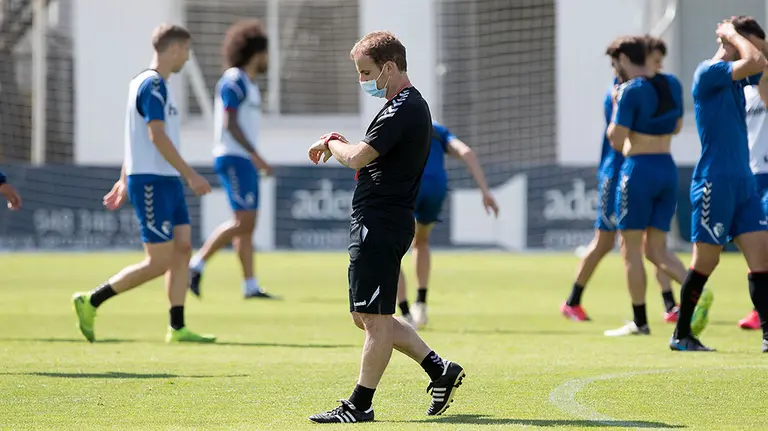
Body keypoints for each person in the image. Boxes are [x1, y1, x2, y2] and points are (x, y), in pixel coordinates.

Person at [306, 31, 465, 423]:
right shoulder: (401, 105)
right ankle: (438, 369)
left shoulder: (405, 106)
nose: (363, 81)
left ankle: (359, 405)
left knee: (374, 319)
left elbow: (358, 157)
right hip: (379, 219)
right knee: (365, 316)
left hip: (381, 221)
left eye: (366, 73)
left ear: (390, 68)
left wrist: (332, 141)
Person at [71, 24, 216, 344]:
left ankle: (177, 327)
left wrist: (123, 178)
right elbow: (154, 135)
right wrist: (190, 173)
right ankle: (91, 300)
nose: (187, 58)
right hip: (152, 181)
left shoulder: (154, 85)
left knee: (181, 250)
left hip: (164, 179)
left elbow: (135, 140)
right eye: (187, 51)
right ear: (175, 48)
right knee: (159, 260)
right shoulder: (152, 85)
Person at [561, 35, 685, 324]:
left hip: (635, 170)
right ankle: (573, 300)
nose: (614, 67)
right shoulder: (620, 90)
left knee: (650, 245)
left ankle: (669, 304)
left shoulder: (645, 87)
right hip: (615, 172)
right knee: (607, 242)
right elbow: (619, 137)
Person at [671, 16, 768, 353]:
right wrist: (732, 35)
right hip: (714, 181)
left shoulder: (738, 82)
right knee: (705, 263)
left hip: (744, 183)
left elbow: (761, 64)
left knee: (761, 260)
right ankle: (682, 335)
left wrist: (745, 42)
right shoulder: (707, 72)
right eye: (747, 42)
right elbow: (755, 59)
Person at [601, 36, 688, 337]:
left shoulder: (630, 90)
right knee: (658, 249)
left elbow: (615, 138)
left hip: (637, 169)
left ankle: (640, 321)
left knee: (632, 249)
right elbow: (677, 126)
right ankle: (698, 291)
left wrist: (616, 107)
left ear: (624, 60)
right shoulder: (672, 84)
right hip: (667, 166)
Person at [189, 19, 274, 299]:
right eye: (265, 53)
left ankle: (250, 285)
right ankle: (196, 264)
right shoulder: (234, 80)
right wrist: (256, 155)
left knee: (247, 226)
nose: (267, 59)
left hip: (242, 160)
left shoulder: (248, 83)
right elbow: (230, 122)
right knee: (243, 222)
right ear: (256, 53)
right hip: (234, 158)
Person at [396, 121, 498, 329]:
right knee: (421, 241)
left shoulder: (399, 123)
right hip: (437, 187)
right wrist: (485, 191)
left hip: (411, 184)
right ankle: (421, 305)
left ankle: (406, 313)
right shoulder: (437, 130)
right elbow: (467, 152)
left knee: (392, 249)